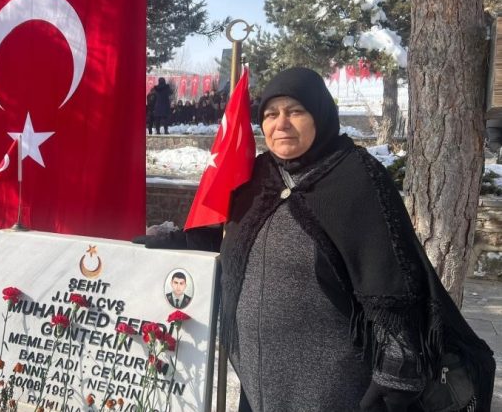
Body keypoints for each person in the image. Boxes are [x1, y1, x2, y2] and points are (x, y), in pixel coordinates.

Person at [138, 67, 495, 411]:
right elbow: (230, 240)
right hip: (257, 373)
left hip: (331, 377)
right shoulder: (259, 175)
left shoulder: (356, 176)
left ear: (320, 115)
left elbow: (393, 277)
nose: (281, 124)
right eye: (271, 114)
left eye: (295, 111)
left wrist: (397, 365)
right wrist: (177, 243)